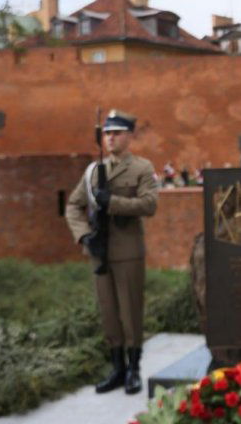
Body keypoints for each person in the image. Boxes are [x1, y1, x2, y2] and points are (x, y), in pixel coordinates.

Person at [65, 109, 158, 395]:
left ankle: (134, 369)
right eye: (107, 134)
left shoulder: (141, 168)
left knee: (131, 312)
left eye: (117, 133)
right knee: (108, 313)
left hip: (128, 250)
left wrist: (113, 202)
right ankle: (116, 368)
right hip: (99, 250)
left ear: (129, 136)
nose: (111, 138)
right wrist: (83, 236)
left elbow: (149, 204)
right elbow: (73, 206)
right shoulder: (93, 171)